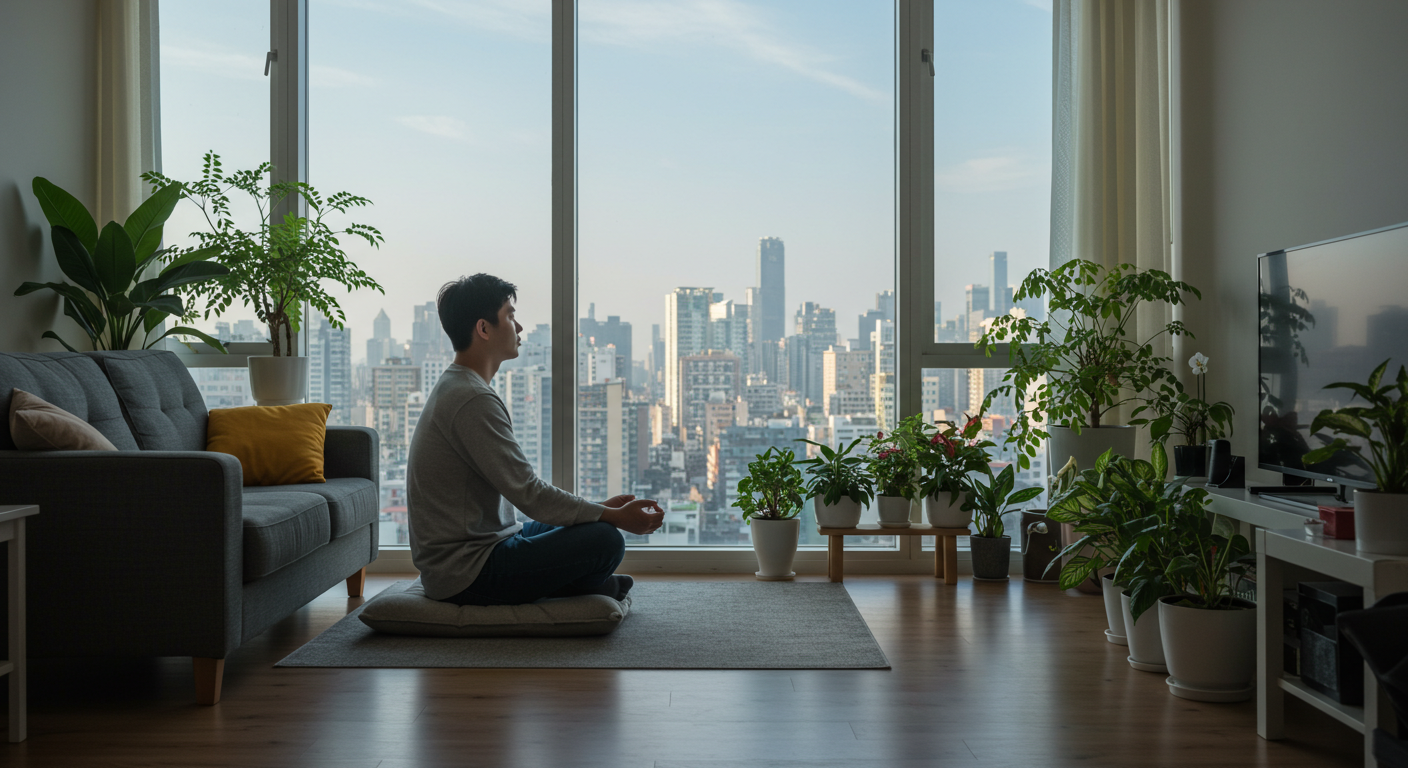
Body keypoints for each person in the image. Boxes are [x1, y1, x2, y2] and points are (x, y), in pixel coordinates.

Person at [406, 273, 663, 606]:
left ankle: (584, 585)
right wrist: (609, 517)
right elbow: (529, 494)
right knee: (605, 540)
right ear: (484, 329)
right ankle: (582, 586)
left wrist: (597, 510)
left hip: (490, 542)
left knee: (581, 527)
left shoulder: (461, 386)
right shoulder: (471, 399)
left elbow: (527, 498)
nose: (519, 327)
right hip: (466, 572)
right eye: (510, 316)